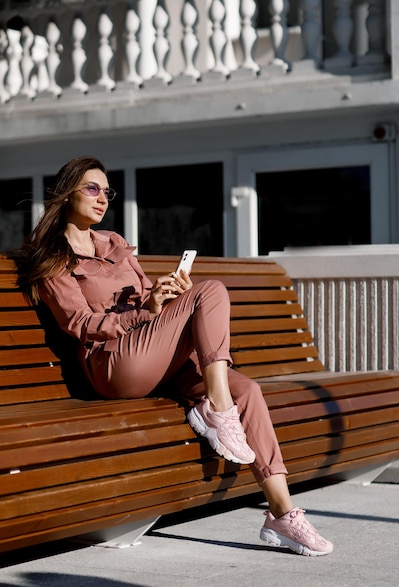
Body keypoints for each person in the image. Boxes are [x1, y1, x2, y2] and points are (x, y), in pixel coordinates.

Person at [17, 156, 333, 557]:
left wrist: (164, 296)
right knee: (211, 290)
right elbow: (79, 323)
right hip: (113, 365)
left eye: (107, 192)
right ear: (66, 195)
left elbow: (150, 299)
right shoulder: (53, 258)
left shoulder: (114, 245)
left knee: (248, 391)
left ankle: (282, 515)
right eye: (92, 189)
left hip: (153, 355)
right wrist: (145, 311)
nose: (102, 199)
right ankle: (217, 408)